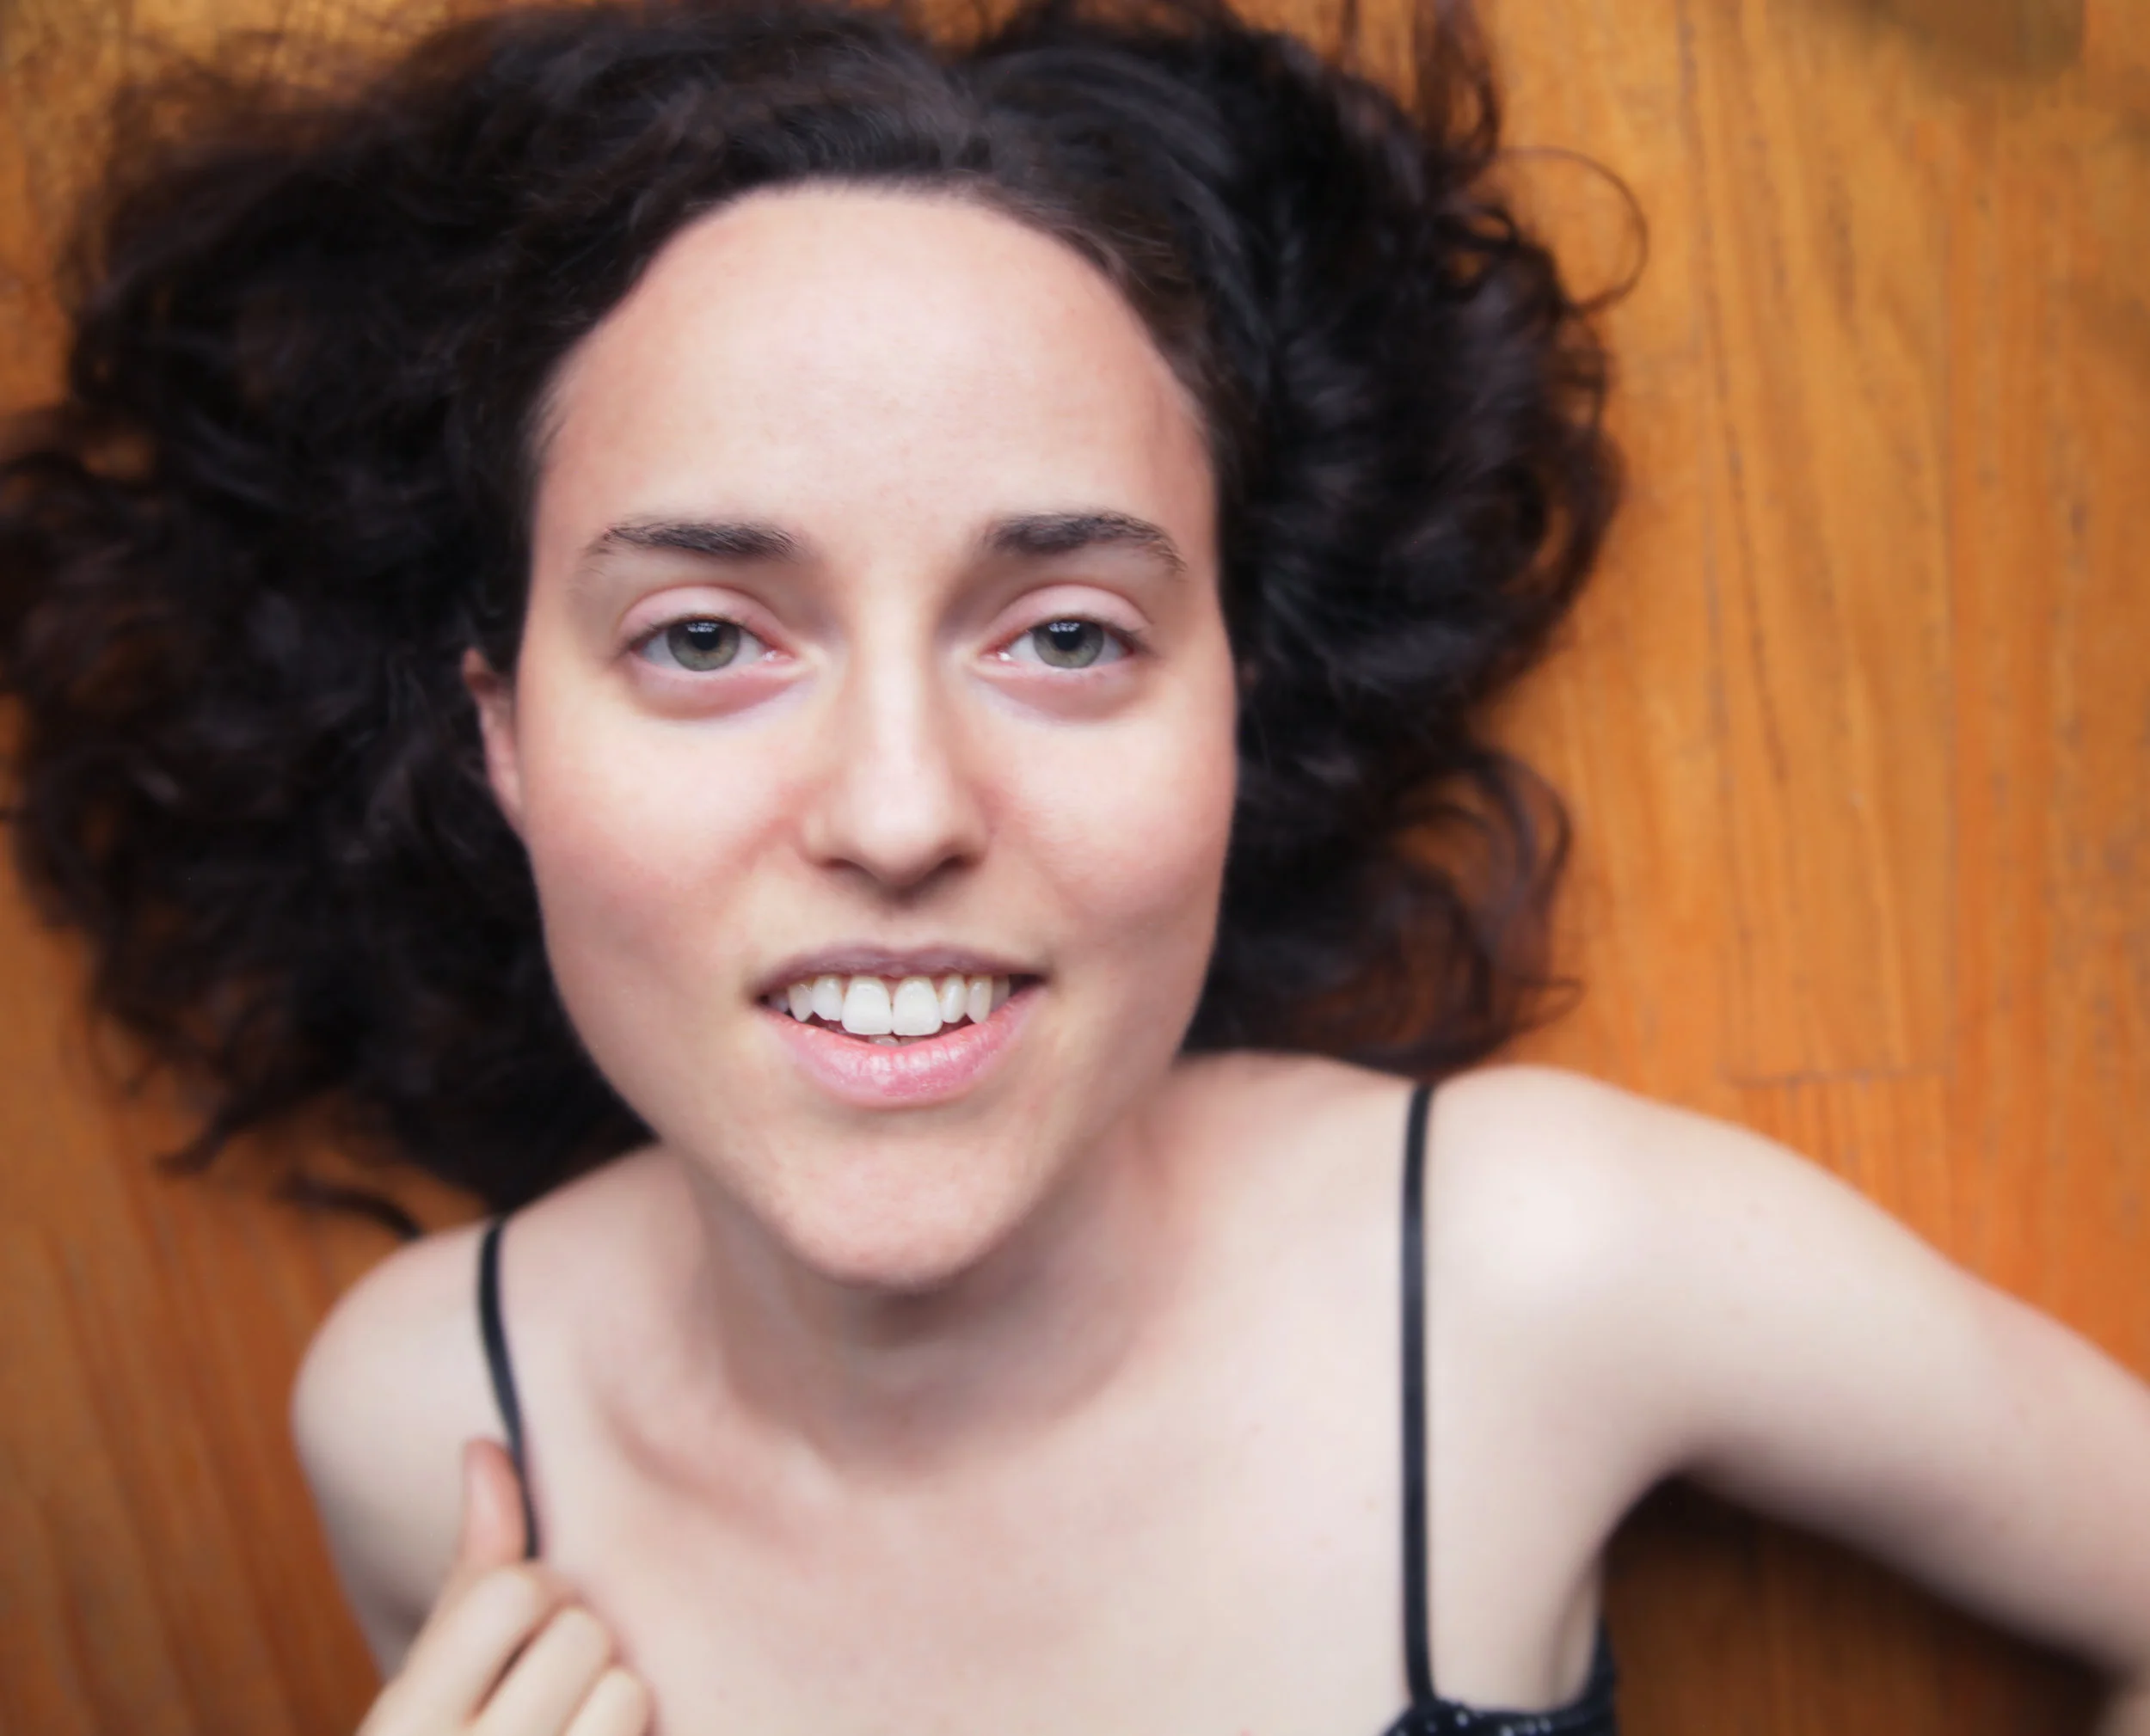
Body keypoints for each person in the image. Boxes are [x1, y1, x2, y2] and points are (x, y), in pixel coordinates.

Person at [2, 0, 2147, 1733]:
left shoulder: (1545, 1265)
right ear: (502, 735)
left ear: (1230, 703)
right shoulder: (421, 1418)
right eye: (702, 639)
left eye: (1062, 636)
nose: (902, 807)